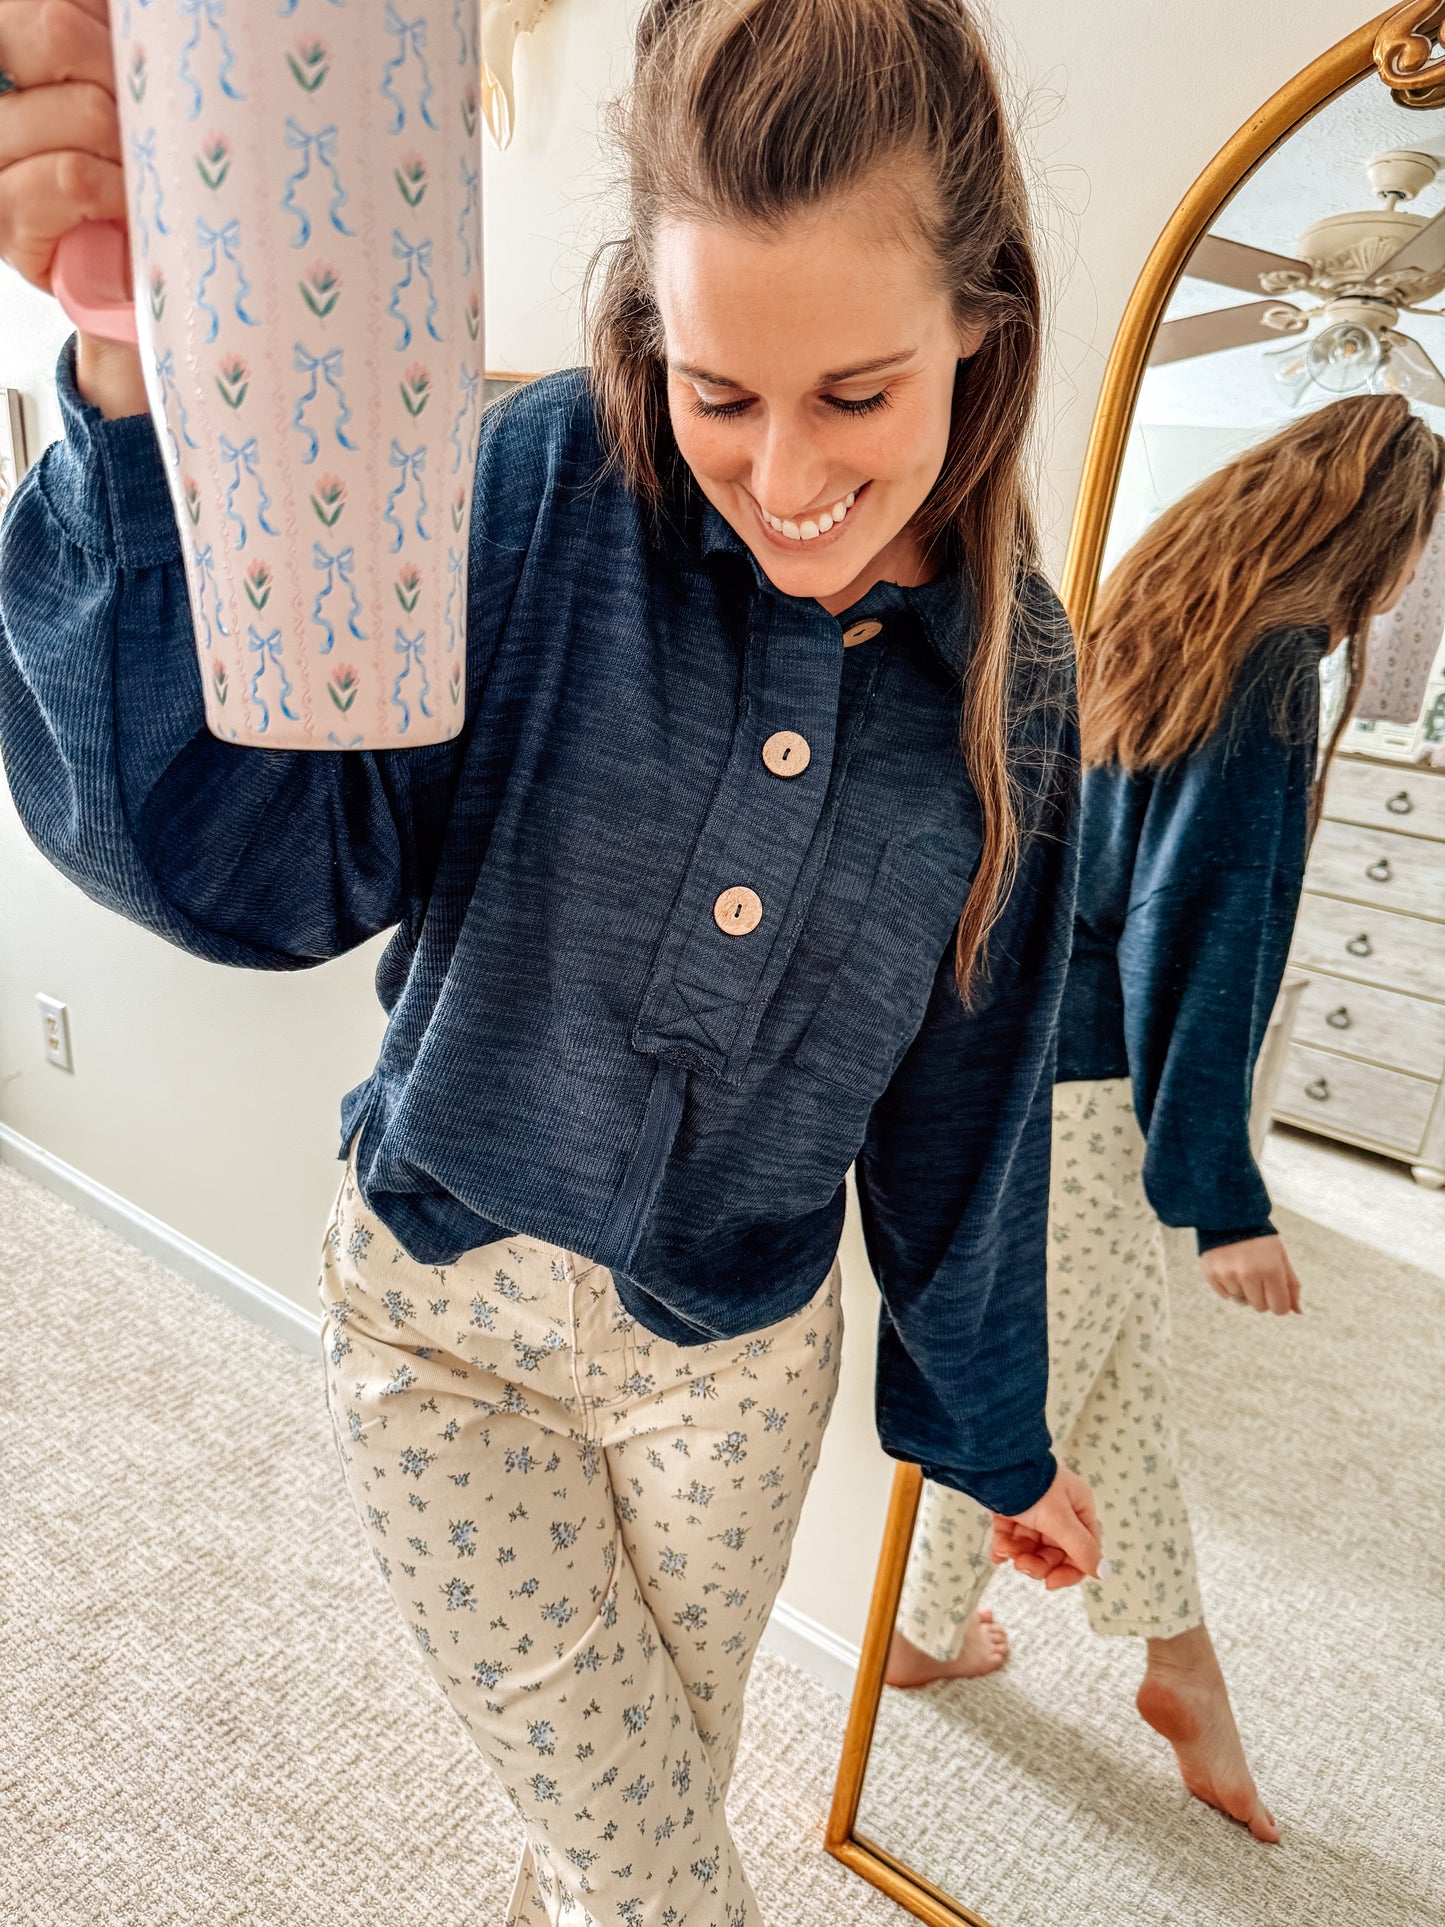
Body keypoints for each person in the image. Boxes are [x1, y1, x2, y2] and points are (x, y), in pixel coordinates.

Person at [0, 1, 1102, 1920]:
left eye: (856, 395)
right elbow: (251, 874)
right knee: (664, 1878)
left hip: (734, 1371)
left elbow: (965, 1100)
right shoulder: (534, 489)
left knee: (628, 1817)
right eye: (718, 392)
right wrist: (129, 369)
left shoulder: (1017, 676)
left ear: (976, 326)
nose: (784, 473)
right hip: (442, 1322)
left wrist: (992, 1430)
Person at [890, 393, 1445, 1846]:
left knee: (1113, 1382)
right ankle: (917, 1631)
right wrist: (1222, 1197)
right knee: (1024, 1389)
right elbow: (1200, 933)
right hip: (1084, 1089)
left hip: (1027, 1053)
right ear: (1378, 546)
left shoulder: (1156, 615)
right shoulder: (1271, 670)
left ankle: (1181, 1667)